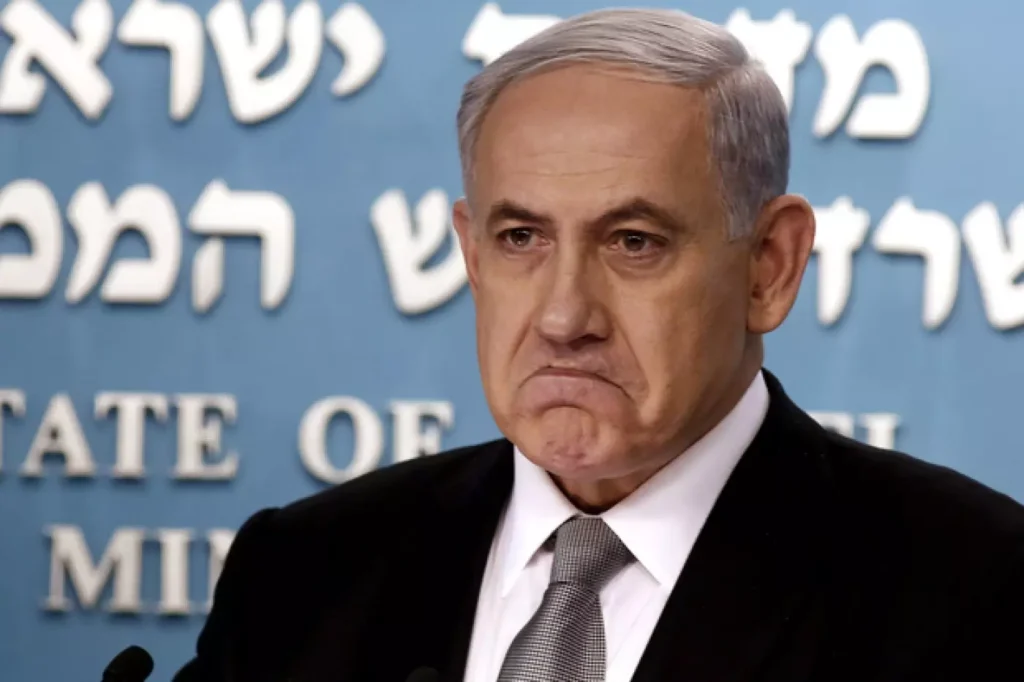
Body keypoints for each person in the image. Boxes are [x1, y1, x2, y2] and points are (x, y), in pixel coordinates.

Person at [174, 8, 1024, 682]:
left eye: (633, 242)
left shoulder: (974, 589)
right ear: (472, 256)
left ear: (770, 265)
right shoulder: (304, 574)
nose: (563, 316)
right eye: (521, 239)